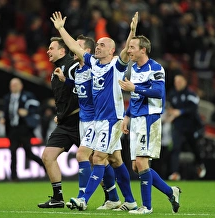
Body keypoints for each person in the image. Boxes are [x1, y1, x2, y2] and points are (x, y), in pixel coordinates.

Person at [51, 11, 138, 211]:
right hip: (96, 120)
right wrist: (61, 29)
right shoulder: (93, 63)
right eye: (97, 44)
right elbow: (74, 46)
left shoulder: (117, 65)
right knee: (109, 158)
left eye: (102, 45)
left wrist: (132, 31)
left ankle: (83, 198)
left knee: (98, 158)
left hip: (111, 120)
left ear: (111, 51)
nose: (98, 47)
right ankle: (129, 201)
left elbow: (126, 51)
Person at [53, 34, 119, 209]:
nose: (74, 48)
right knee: (105, 160)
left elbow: (97, 92)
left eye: (78, 46)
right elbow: (79, 89)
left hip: (96, 119)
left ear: (85, 51)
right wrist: (65, 81)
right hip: (85, 119)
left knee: (101, 158)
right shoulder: (79, 70)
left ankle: (83, 196)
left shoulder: (94, 68)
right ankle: (114, 196)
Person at [118, 35, 181, 214]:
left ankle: (146, 206)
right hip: (136, 119)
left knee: (142, 162)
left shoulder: (155, 67)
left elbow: (159, 92)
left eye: (131, 47)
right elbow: (135, 97)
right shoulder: (135, 69)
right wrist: (127, 116)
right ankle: (171, 192)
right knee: (137, 166)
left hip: (149, 118)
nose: (128, 50)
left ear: (142, 50)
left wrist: (134, 88)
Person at [37, 37, 80, 208]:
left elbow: (83, 89)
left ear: (62, 51)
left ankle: (110, 196)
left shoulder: (73, 66)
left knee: (95, 160)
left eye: (51, 48)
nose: (48, 51)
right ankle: (58, 198)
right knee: (48, 156)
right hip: (64, 123)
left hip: (79, 121)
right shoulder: (55, 73)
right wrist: (60, 114)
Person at [3, 78, 44, 181]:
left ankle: (45, 166)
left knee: (28, 153)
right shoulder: (7, 98)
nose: (13, 86)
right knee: (12, 151)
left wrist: (27, 112)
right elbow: (6, 112)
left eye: (16, 84)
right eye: (12, 84)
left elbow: (36, 107)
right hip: (12, 129)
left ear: (21, 86)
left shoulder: (28, 96)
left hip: (24, 128)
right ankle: (13, 177)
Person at [167, 74, 206, 181]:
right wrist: (170, 114)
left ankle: (200, 164)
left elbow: (193, 109)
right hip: (178, 126)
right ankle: (175, 173)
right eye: (176, 81)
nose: (177, 83)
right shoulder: (172, 94)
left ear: (185, 82)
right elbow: (171, 107)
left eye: (179, 81)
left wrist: (180, 111)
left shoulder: (191, 94)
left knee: (194, 148)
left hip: (191, 126)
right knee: (175, 148)